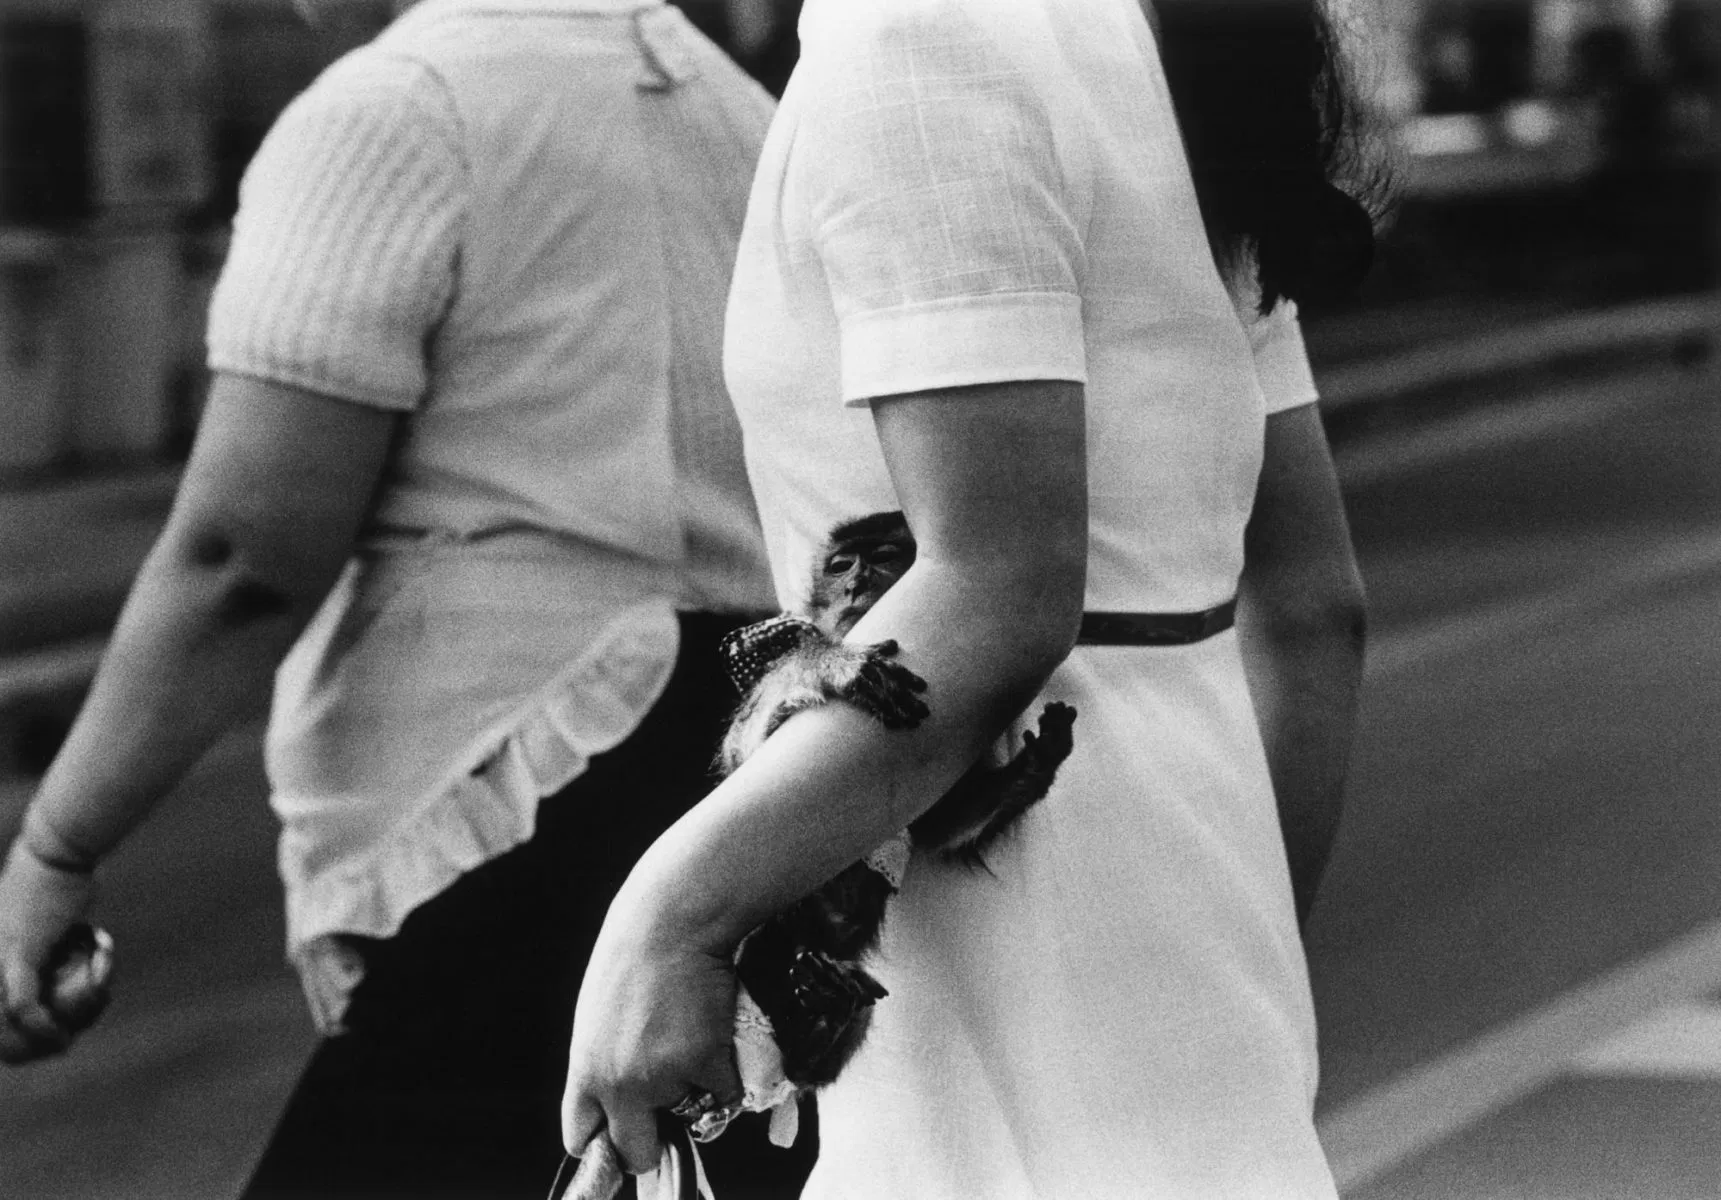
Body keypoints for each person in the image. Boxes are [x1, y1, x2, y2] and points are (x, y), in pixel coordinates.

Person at [560, 0, 1376, 1195]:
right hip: (1191, 904)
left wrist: (669, 915)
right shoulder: (1145, 33)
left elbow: (995, 586)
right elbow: (1308, 611)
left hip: (1004, 917)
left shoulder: (915, 34)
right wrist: (1222, 952)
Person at [0, 1, 814, 1196]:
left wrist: (55, 847)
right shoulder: (736, 109)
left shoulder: (397, 112)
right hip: (736, 776)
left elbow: (243, 558)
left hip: (518, 790)